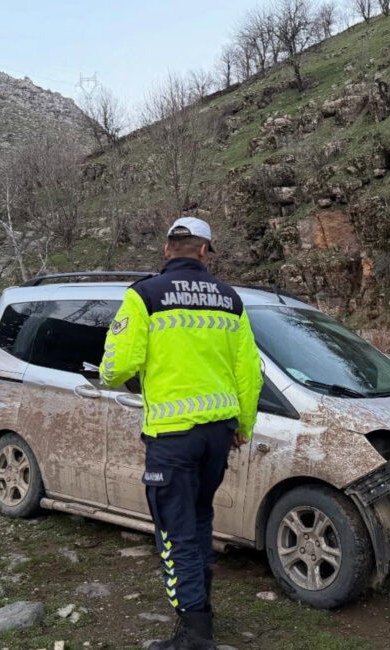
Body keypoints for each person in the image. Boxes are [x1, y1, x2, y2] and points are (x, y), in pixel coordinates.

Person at [99, 216, 263, 650]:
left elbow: (116, 368)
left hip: (172, 437)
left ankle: (194, 635)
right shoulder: (230, 300)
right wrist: (243, 425)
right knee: (200, 519)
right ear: (205, 251)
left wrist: (131, 373)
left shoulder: (144, 295)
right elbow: (250, 372)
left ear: (167, 250)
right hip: (218, 435)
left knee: (175, 532)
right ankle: (201, 611)